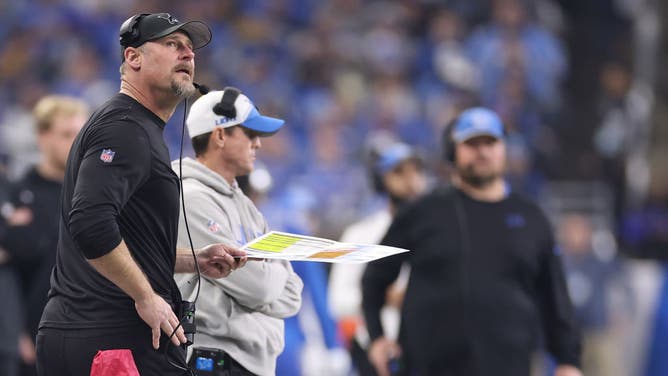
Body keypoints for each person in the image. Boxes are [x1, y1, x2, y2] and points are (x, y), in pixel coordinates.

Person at [35, 13, 246, 376]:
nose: (187, 55)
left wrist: (190, 261)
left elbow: (123, 237)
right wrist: (146, 296)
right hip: (111, 339)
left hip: (98, 334)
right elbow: (90, 224)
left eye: (190, 49)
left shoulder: (136, 128)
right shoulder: (124, 128)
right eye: (171, 45)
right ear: (133, 58)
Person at [362, 107, 582, 376]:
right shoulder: (422, 212)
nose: (483, 152)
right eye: (472, 143)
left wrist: (568, 361)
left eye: (490, 142)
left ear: (504, 149)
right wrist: (377, 337)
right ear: (453, 151)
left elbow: (555, 297)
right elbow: (374, 276)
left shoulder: (532, 218)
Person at [174, 88, 303, 376]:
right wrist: (271, 274)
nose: (258, 144)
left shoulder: (243, 202)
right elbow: (260, 288)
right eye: (249, 133)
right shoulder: (192, 197)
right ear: (219, 135)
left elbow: (293, 294)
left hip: (248, 362)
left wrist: (267, 279)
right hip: (215, 360)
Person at [0, 95, 87, 376]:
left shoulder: (92, 197)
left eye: (79, 133)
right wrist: (13, 330)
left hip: (82, 334)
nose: (75, 141)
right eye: (66, 134)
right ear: (42, 136)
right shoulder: (17, 195)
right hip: (28, 340)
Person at [328, 135, 428, 375]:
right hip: (375, 351)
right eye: (399, 172)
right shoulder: (359, 233)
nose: (409, 180)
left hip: (428, 347)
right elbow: (338, 300)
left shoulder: (437, 230)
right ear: (381, 180)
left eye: (415, 171)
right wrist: (387, 297)